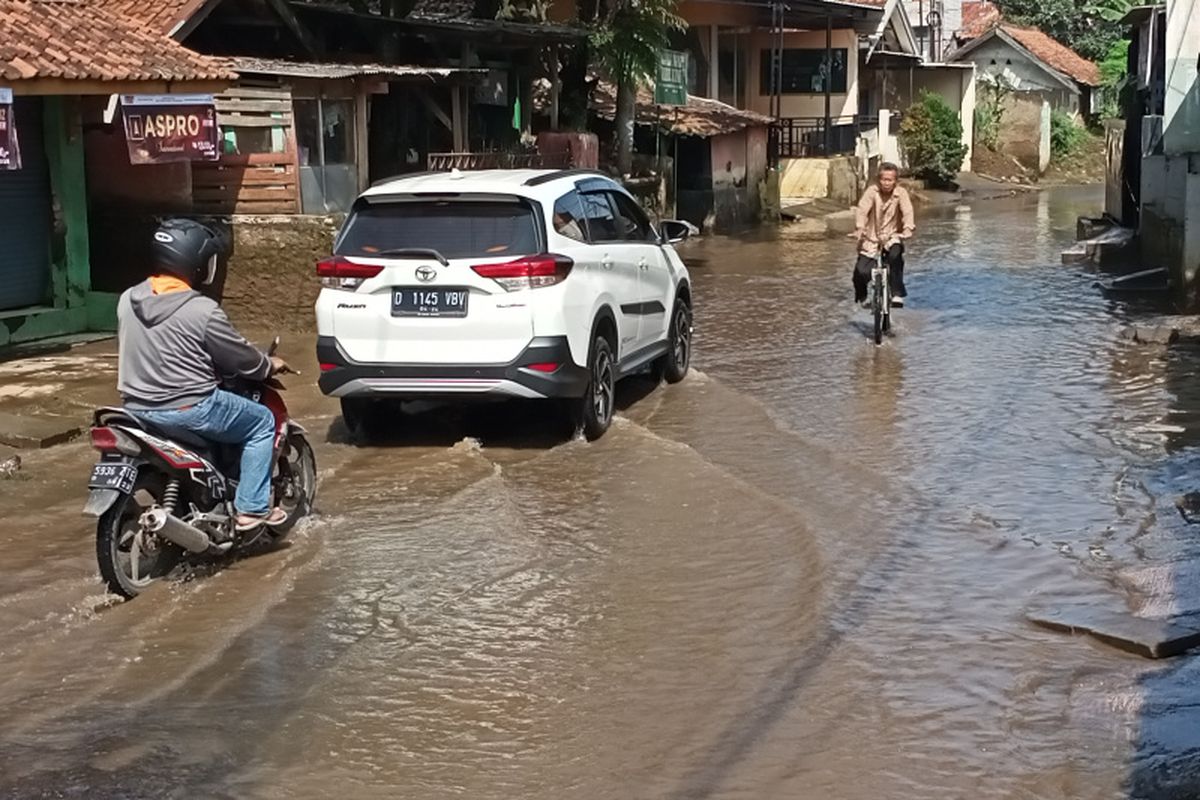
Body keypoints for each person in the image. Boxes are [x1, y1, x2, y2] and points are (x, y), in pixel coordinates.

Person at [116, 219, 288, 531]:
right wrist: (267, 364)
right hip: (190, 408)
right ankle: (251, 509)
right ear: (196, 263)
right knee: (262, 422)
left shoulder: (127, 299)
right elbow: (240, 358)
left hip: (135, 408)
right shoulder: (203, 310)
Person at [851, 162, 915, 308]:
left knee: (895, 256)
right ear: (879, 180)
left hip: (892, 236)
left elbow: (907, 211)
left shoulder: (901, 193)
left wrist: (908, 228)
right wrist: (860, 228)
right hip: (871, 238)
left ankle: (896, 294)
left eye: (890, 180)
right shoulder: (871, 192)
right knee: (860, 272)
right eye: (883, 179)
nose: (886, 183)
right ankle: (863, 297)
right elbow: (862, 210)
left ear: (895, 181)